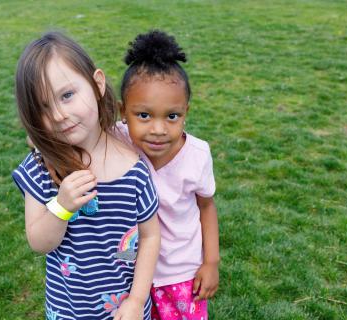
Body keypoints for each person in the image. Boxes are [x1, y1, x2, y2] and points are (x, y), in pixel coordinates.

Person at [12, 31, 161, 320]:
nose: (58, 116)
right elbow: (39, 243)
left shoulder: (134, 168)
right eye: (43, 107)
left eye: (67, 95)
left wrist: (137, 300)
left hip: (125, 309)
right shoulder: (42, 168)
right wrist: (61, 208)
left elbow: (150, 236)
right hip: (69, 311)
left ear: (97, 84)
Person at [117, 30, 220, 320]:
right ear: (123, 112)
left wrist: (211, 261)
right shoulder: (118, 139)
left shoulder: (198, 155)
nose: (159, 129)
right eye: (144, 116)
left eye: (171, 116)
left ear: (185, 112)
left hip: (181, 274)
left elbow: (206, 206)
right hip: (130, 272)